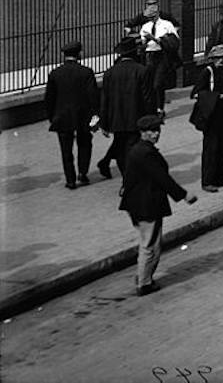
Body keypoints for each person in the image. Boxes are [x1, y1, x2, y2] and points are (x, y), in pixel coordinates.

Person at [119, 113, 198, 296]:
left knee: (147, 241)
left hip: (136, 203)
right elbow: (162, 178)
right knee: (151, 244)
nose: (156, 134)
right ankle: (144, 283)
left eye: (158, 130)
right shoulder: (146, 153)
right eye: (152, 131)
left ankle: (143, 275)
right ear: (143, 133)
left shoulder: (136, 149)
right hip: (146, 204)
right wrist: (184, 195)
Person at [45, 42, 99, 189]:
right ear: (79, 54)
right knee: (85, 144)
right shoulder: (86, 72)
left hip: (62, 116)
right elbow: (93, 96)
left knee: (66, 150)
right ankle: (83, 173)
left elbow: (49, 99)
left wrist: (52, 117)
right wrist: (95, 115)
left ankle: (70, 179)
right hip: (82, 115)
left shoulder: (55, 73)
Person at [98, 33, 151, 179]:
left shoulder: (109, 73)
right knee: (131, 149)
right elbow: (147, 98)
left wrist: (104, 122)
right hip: (136, 117)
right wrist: (151, 119)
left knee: (121, 147)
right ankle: (129, 179)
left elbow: (105, 99)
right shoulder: (142, 71)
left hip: (116, 118)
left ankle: (121, 173)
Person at [191, 43, 223, 192]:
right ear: (212, 59)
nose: (221, 61)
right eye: (218, 58)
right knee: (211, 148)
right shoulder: (207, 72)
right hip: (211, 113)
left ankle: (221, 178)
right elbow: (196, 93)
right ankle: (207, 181)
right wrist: (215, 96)